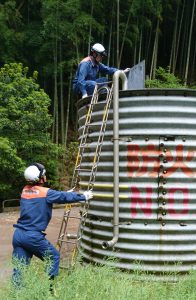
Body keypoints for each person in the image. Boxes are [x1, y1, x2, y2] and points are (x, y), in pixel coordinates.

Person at [12, 162, 93, 286]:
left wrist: (66, 193)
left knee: (20, 269)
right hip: (32, 236)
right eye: (44, 175)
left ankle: (16, 294)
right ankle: (48, 290)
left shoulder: (25, 191)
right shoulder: (46, 193)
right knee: (53, 257)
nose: (45, 176)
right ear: (39, 178)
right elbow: (62, 197)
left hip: (18, 235)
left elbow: (51, 195)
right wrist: (83, 196)